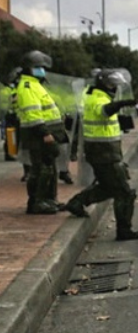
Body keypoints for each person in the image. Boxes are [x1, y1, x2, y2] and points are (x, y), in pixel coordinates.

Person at [64, 70, 138, 240]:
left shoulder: (97, 95)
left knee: (109, 187)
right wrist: (122, 103)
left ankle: (77, 202)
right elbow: (104, 111)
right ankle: (124, 230)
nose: (114, 88)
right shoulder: (97, 97)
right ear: (103, 84)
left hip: (104, 151)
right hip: (103, 153)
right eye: (112, 85)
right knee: (124, 192)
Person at [16, 51, 69, 214]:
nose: (42, 70)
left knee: (50, 169)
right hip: (38, 136)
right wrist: (45, 133)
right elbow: (33, 115)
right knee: (40, 170)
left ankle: (49, 200)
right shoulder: (27, 87)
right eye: (38, 67)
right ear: (29, 69)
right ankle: (36, 202)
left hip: (47, 133)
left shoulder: (36, 85)